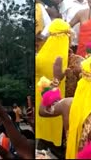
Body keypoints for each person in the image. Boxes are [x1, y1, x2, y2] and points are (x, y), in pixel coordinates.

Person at [35, 18, 70, 148]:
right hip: (57, 97)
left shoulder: (40, 56)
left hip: (42, 97)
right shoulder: (65, 57)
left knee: (43, 123)